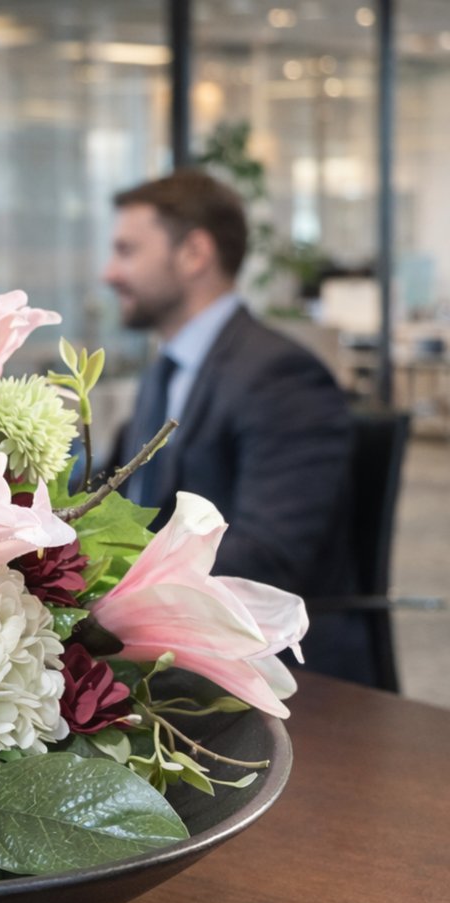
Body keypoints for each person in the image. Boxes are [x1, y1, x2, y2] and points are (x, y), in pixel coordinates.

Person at [101, 169, 368, 684]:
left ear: (194, 253)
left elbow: (268, 556)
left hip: (276, 680)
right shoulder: (166, 369)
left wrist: (112, 584)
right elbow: (117, 496)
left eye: (127, 251)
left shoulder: (282, 379)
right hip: (168, 660)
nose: (109, 272)